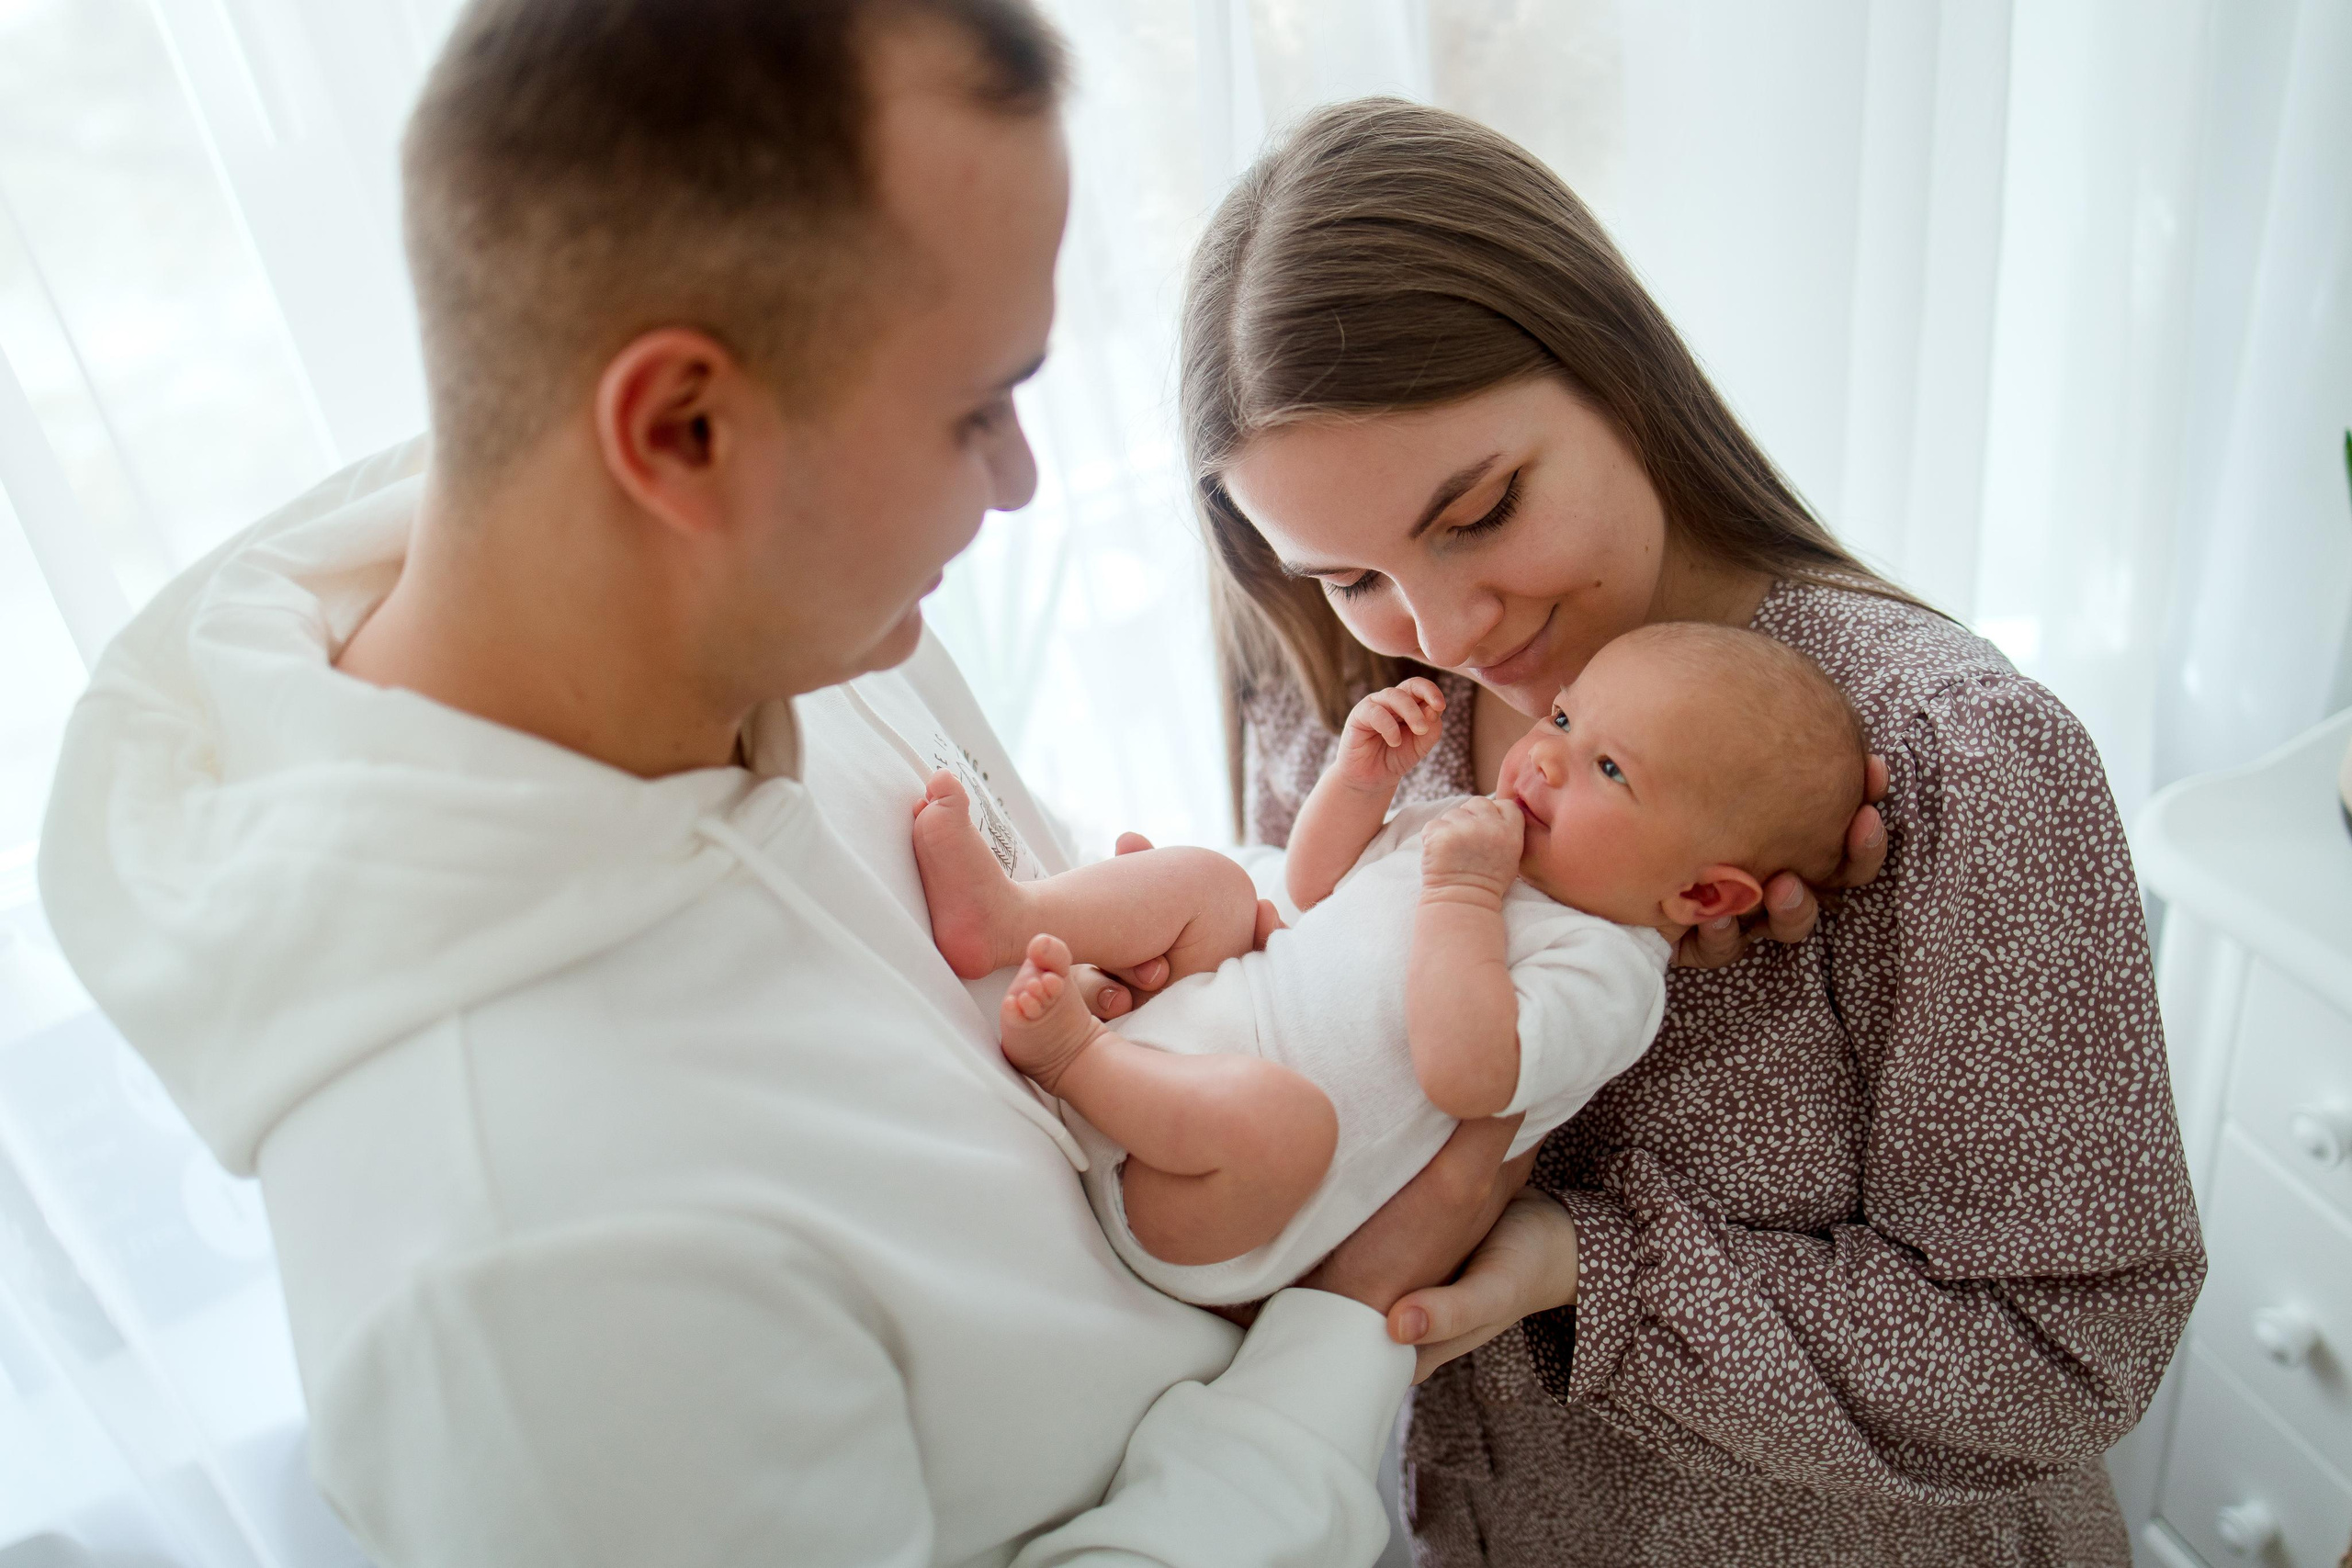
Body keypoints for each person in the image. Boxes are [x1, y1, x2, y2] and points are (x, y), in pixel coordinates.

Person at [34, 8, 1528, 1564]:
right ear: (680, 429)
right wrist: (1342, 1327)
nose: (1020, 478)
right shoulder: (530, 1276)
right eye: (973, 411)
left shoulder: (777, 608)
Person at [1180, 98, 2205, 1566]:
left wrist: (1582, 1267)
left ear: (1616, 367)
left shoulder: (1947, 759)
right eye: (1352, 574)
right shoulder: (1337, 715)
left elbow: (2064, 1334)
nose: (1448, 633)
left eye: (1482, 510)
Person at [911, 624, 1865, 1311]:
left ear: (1702, 898)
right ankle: (1007, 919)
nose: (1542, 759)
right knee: (1215, 885)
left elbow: (1467, 1072)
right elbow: (1312, 884)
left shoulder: (1607, 972)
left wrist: (1460, 894)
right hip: (1191, 1026)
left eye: (1609, 770)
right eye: (1565, 719)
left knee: (1288, 1123)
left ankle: (1068, 1056)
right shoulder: (1479, 834)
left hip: (1213, 1203)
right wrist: (1360, 782)